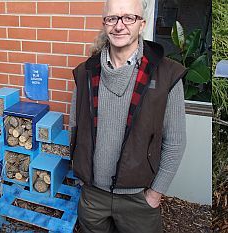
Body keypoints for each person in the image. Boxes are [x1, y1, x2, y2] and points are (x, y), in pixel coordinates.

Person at [68, 0, 187, 232]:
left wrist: (155, 194)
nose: (119, 25)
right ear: (104, 24)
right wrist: (82, 177)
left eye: (128, 18)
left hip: (139, 199)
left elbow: (175, 141)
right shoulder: (85, 73)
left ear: (141, 24)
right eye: (112, 18)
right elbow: (75, 127)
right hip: (93, 196)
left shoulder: (166, 74)